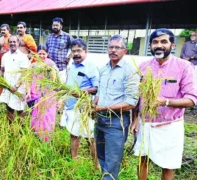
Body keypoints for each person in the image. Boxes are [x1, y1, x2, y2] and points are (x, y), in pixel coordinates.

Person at [131, 29, 197, 180]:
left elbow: (192, 99)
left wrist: (164, 102)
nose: (159, 45)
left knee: (168, 166)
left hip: (169, 125)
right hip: (145, 123)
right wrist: (135, 119)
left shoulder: (184, 66)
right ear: (150, 45)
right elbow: (137, 97)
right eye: (155, 42)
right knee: (142, 160)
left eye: (163, 42)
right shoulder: (143, 67)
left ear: (172, 45)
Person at [93, 34, 140, 180]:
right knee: (102, 157)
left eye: (117, 48)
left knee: (112, 163)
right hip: (100, 121)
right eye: (111, 47)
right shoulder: (103, 69)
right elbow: (99, 93)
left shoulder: (130, 71)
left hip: (116, 123)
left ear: (124, 51)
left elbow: (131, 102)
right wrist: (94, 105)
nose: (113, 50)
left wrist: (102, 108)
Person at [59, 39, 99, 168]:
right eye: (74, 51)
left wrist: (81, 92)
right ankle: (74, 161)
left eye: (79, 51)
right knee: (74, 134)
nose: (76, 53)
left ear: (85, 51)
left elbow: (97, 88)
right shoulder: (72, 66)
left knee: (91, 137)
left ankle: (96, 165)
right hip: (71, 106)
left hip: (84, 108)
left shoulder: (91, 67)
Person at [27, 45, 58, 142]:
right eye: (39, 53)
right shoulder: (33, 65)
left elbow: (56, 78)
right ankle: (36, 134)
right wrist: (28, 92)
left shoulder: (51, 64)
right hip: (35, 93)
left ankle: (46, 137)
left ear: (47, 54)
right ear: (36, 54)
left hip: (48, 94)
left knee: (47, 114)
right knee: (37, 114)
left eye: (44, 54)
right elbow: (28, 79)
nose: (42, 56)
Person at [0, 36, 30, 122]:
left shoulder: (23, 56)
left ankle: (20, 130)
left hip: (19, 88)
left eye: (14, 42)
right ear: (8, 43)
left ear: (18, 43)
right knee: (9, 107)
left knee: (19, 109)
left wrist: (16, 86)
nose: (12, 43)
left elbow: (24, 74)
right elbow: (2, 70)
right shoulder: (4, 56)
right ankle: (10, 129)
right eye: (10, 42)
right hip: (8, 86)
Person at [45, 17, 74, 83]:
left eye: (57, 25)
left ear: (61, 26)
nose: (55, 27)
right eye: (53, 25)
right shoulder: (49, 37)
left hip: (61, 67)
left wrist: (69, 57)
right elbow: (45, 50)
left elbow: (74, 48)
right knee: (49, 87)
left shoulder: (67, 36)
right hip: (50, 68)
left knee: (60, 87)